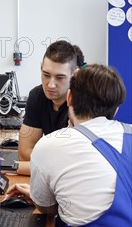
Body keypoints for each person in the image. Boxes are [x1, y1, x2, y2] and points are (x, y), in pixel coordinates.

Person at [5, 64, 130, 227]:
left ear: (70, 98)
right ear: (116, 109)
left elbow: (48, 210)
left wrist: (40, 198)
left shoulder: (53, 144)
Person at [17, 41, 86, 175]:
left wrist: (29, 166)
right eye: (46, 75)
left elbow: (75, 164)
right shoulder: (37, 96)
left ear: (75, 74)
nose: (51, 85)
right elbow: (25, 153)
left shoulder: (83, 104)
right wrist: (56, 165)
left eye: (60, 78)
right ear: (41, 67)